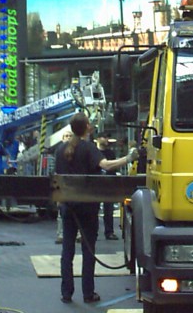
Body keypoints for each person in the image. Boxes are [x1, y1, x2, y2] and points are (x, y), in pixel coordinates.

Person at [54, 112, 138, 304]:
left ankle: (66, 293)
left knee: (67, 250)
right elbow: (107, 166)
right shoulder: (89, 149)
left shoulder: (60, 150)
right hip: (87, 207)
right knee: (88, 250)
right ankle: (88, 293)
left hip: (68, 207)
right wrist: (128, 158)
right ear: (87, 128)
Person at [95, 132, 118, 240]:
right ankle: (92, 231)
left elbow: (113, 168)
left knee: (108, 210)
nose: (106, 139)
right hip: (95, 185)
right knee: (93, 210)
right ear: (98, 139)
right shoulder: (93, 152)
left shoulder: (110, 153)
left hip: (108, 185)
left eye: (107, 137)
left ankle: (109, 232)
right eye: (104, 137)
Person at [55, 130, 73, 244]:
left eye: (70, 136)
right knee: (61, 212)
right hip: (62, 184)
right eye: (66, 136)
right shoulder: (59, 152)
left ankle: (79, 235)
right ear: (62, 139)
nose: (68, 138)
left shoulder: (77, 151)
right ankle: (60, 234)